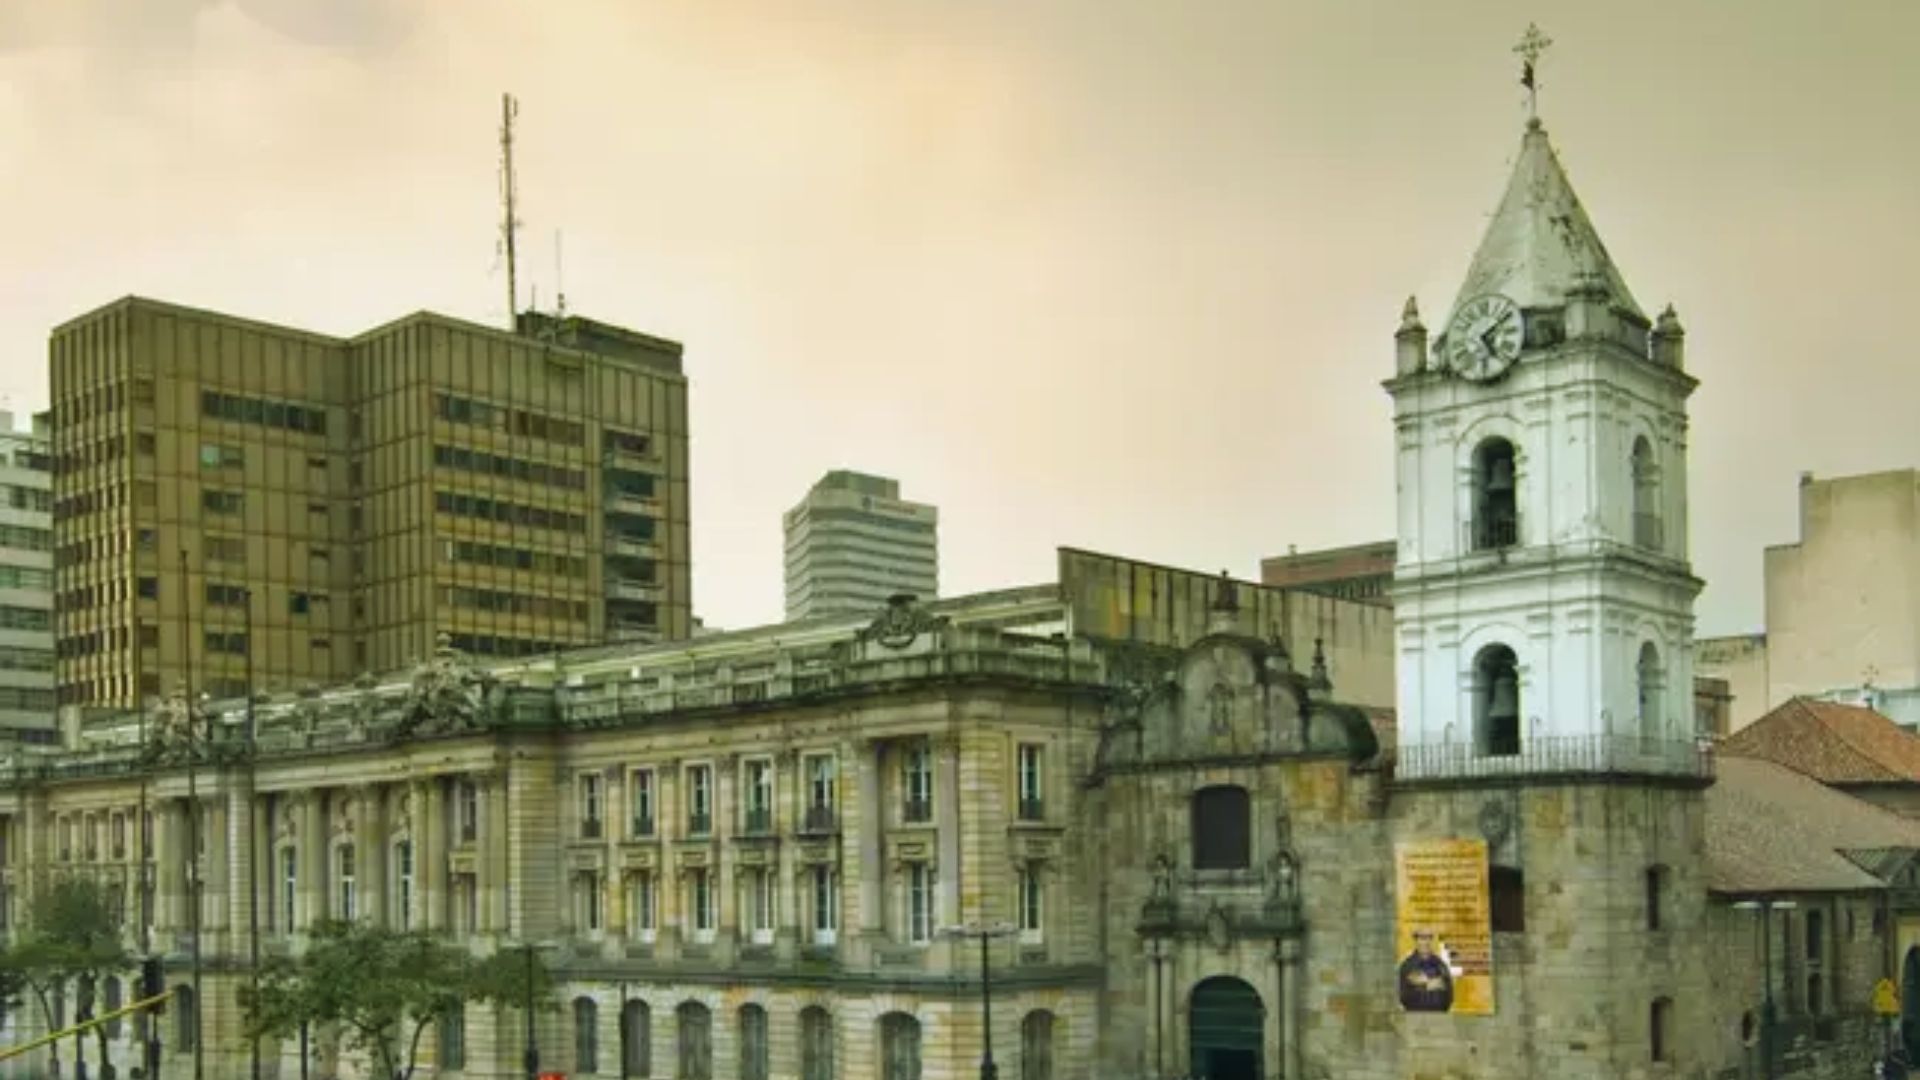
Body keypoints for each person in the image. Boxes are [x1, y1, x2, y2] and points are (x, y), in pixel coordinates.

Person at [1398, 928, 1455, 1012]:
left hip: (1438, 1017)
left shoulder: (1440, 964)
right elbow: (1403, 995)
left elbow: (1449, 993)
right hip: (1414, 1017)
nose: (1426, 942)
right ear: (1416, 941)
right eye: (1422, 938)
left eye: (1429, 938)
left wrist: (1422, 983)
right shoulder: (1407, 965)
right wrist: (1431, 984)